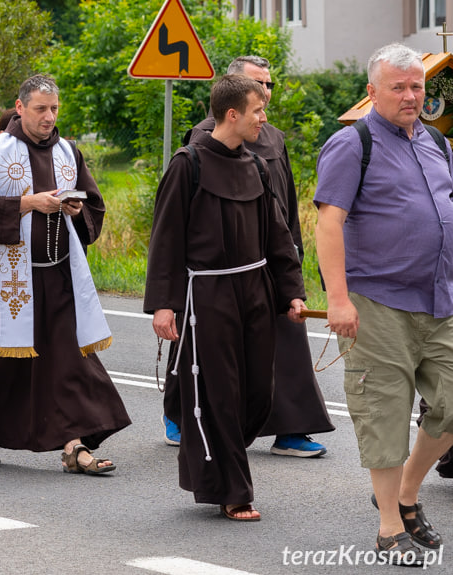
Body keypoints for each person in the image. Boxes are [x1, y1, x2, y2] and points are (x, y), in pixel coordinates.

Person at [0, 74, 130, 470]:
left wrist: (77, 210)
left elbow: (93, 202)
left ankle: (74, 445)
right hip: (11, 278)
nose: (49, 117)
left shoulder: (68, 151)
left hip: (59, 273)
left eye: (55, 109)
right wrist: (26, 203)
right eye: (41, 109)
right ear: (20, 107)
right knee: (1, 362)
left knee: (70, 362)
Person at [145, 74, 307, 521]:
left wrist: (291, 291)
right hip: (208, 294)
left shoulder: (255, 166)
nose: (264, 117)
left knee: (258, 393)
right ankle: (232, 490)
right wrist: (164, 303)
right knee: (218, 393)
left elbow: (277, 235)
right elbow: (166, 239)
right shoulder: (187, 164)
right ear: (232, 114)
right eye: (258, 110)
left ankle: (218, 464)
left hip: (255, 290)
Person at [315, 43, 453, 564]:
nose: (411, 95)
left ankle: (407, 493)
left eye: (417, 85)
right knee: (386, 413)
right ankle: (389, 525)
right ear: (373, 91)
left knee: (451, 401)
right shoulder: (354, 144)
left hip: (440, 298)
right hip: (378, 301)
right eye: (399, 86)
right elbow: (329, 223)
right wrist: (338, 299)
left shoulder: (436, 142)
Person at [166, 55, 334, 456]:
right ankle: (182, 414)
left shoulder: (272, 137)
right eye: (258, 85)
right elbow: (179, 225)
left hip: (268, 261)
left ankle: (292, 427)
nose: (266, 93)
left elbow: (285, 204)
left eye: (270, 84)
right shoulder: (201, 142)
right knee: (201, 348)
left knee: (287, 341)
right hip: (216, 273)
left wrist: (292, 250)